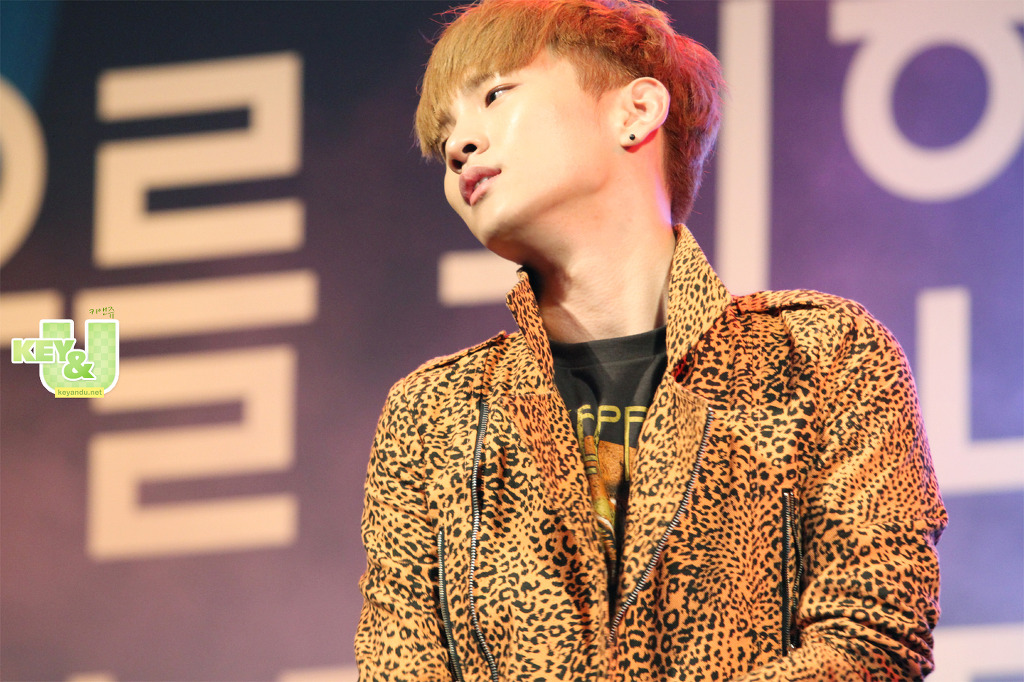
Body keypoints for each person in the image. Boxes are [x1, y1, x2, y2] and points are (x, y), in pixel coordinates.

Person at [356, 0, 946, 679]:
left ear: (635, 112)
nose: (459, 145)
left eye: (494, 95)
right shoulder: (435, 414)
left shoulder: (820, 353)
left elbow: (872, 638)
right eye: (444, 136)